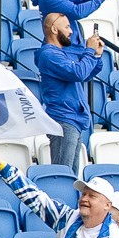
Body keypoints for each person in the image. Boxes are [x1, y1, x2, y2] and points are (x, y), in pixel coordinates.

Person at [33, 11, 105, 175]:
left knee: (71, 174)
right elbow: (78, 73)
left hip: (73, 118)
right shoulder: (48, 54)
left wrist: (97, 55)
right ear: (54, 29)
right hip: (63, 118)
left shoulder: (61, 54)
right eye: (66, 27)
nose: (71, 31)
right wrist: (88, 51)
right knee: (62, 174)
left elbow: (86, 74)